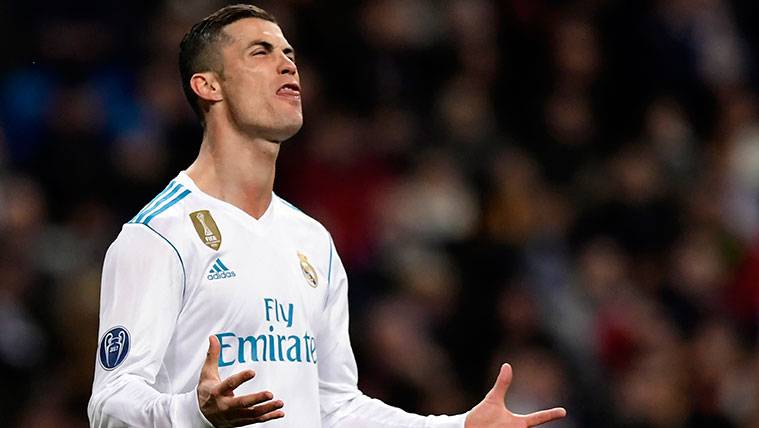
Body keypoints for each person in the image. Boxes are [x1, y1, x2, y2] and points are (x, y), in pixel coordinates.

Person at [87, 4, 567, 427]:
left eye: (289, 54)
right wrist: (194, 414)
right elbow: (108, 404)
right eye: (261, 52)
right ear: (208, 85)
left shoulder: (312, 240)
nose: (287, 65)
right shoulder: (160, 235)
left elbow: (336, 408)